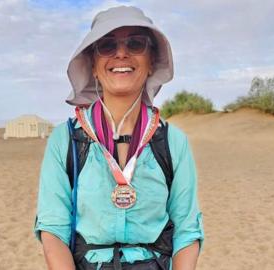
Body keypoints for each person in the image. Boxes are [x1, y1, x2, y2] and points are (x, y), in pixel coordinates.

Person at [35, 6, 204, 270]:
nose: (121, 53)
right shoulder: (64, 140)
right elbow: (53, 230)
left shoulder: (173, 142)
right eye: (106, 45)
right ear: (93, 65)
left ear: (151, 63)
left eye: (136, 44)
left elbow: (187, 230)